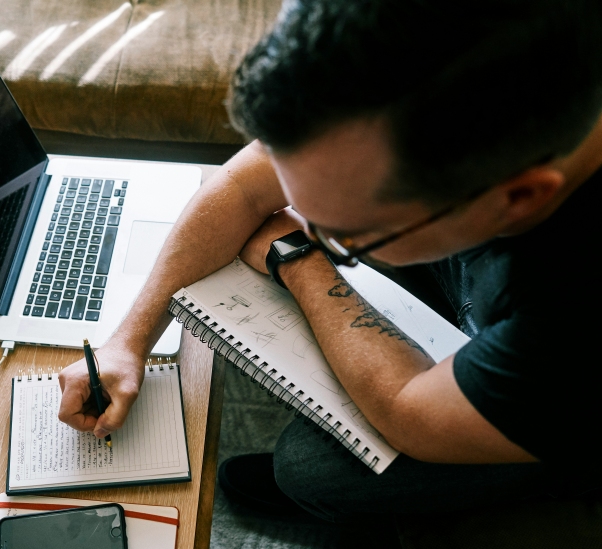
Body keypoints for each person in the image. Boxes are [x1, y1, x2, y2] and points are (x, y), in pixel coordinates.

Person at [58, 0, 602, 522]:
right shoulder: (411, 57)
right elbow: (247, 188)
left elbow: (409, 409)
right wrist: (127, 342)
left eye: (347, 236)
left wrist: (297, 255)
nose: (303, 220)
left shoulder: (569, 324)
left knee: (310, 471)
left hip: (564, 394)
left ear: (519, 197)